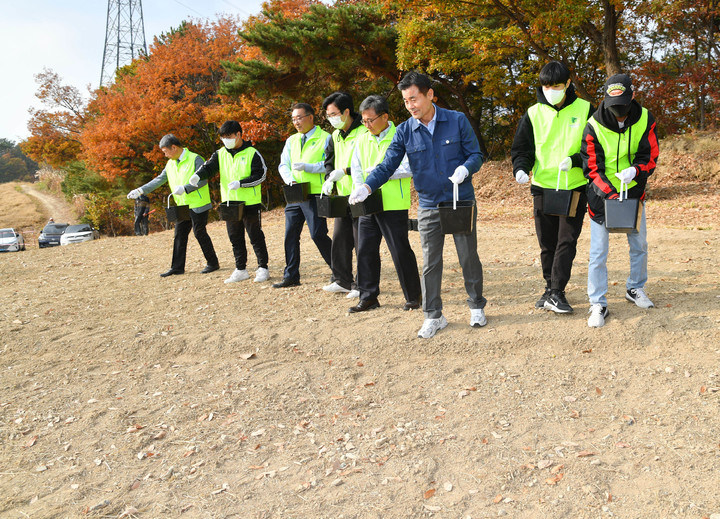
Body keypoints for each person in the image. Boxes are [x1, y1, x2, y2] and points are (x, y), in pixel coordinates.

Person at [350, 71, 486, 338]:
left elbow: (476, 154)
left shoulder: (456, 120)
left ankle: (476, 306)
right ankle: (433, 315)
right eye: (405, 101)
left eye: (414, 98)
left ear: (430, 95)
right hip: (428, 204)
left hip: (459, 200)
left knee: (468, 256)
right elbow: (387, 164)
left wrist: (465, 169)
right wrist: (367, 186)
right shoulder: (404, 131)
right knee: (430, 262)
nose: (410, 105)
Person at [511, 61, 594, 314]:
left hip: (574, 186)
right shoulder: (533, 113)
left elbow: (595, 147)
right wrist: (520, 169)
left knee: (566, 240)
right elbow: (521, 149)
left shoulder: (586, 109)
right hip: (543, 187)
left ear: (568, 84)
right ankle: (549, 288)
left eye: (556, 86)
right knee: (547, 242)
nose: (551, 90)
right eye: (546, 86)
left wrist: (576, 160)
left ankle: (557, 291)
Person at [581, 73, 659, 328]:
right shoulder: (594, 124)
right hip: (602, 196)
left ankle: (635, 288)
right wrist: (611, 194)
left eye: (624, 107)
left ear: (632, 96)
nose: (620, 113)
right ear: (605, 101)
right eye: (615, 108)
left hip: (633, 192)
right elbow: (592, 167)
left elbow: (650, 155)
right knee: (598, 252)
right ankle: (598, 302)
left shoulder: (646, 118)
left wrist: (636, 170)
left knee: (639, 245)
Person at [348, 94, 421, 313]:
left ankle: (413, 296)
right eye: (364, 121)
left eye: (370, 120)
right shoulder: (362, 138)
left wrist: (382, 174)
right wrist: (361, 188)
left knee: (399, 250)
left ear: (385, 116)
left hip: (393, 202)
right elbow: (357, 168)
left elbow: (410, 167)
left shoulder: (401, 135)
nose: (367, 125)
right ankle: (368, 296)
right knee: (365, 250)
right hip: (369, 203)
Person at [189, 121, 270, 284]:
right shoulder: (220, 154)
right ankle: (240, 269)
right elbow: (208, 167)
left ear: (239, 135)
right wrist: (198, 175)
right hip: (230, 203)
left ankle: (263, 267)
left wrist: (241, 183)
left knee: (254, 235)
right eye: (223, 137)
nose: (225, 140)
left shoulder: (252, 153)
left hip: (250, 202)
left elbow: (261, 175)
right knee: (235, 236)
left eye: (229, 137)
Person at [127, 134, 219, 277]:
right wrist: (141, 190)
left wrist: (186, 188)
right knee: (179, 235)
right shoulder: (170, 164)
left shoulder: (195, 158)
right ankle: (177, 268)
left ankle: (213, 263)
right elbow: (159, 179)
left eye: (165, 151)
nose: (165, 155)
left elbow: (203, 180)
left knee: (199, 232)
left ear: (174, 147)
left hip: (198, 203)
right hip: (181, 205)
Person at [272, 103, 333, 288]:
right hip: (295, 192)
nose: (296, 122)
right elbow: (284, 165)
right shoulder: (291, 140)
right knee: (290, 234)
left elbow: (330, 164)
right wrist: (290, 180)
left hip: (315, 192)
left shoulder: (326, 138)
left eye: (299, 118)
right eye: (293, 119)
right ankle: (291, 276)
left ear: (311, 117)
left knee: (317, 234)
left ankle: (340, 271)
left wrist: (309, 167)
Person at [321, 92, 368, 299]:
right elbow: (329, 162)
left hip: (361, 195)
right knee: (340, 238)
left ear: (347, 111)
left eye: (334, 114)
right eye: (328, 115)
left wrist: (347, 171)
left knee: (362, 241)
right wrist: (329, 179)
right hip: (342, 195)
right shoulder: (334, 136)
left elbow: (368, 162)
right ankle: (342, 280)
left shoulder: (364, 131)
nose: (331, 119)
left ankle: (362, 283)